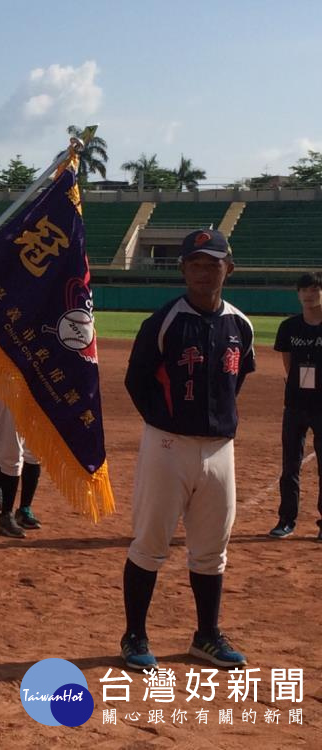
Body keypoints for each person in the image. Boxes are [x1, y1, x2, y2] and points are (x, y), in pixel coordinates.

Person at [121, 229, 254, 671]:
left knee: (212, 549)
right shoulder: (164, 321)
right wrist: (168, 422)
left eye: (212, 263)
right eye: (195, 263)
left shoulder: (240, 324)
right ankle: (135, 635)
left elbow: (238, 379)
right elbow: (136, 381)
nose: (204, 271)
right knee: (150, 542)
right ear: (182, 269)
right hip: (167, 445)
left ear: (228, 269)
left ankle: (207, 636)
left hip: (220, 449)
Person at [270, 271, 322, 540]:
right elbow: (289, 366)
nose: (308, 295)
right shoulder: (289, 327)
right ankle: (286, 520)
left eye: (314, 289)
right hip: (296, 405)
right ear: (298, 294)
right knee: (290, 465)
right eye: (304, 290)